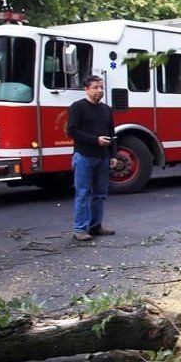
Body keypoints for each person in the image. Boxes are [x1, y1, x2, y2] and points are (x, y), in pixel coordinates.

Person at [67, 75, 117, 241]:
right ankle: (80, 229)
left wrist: (113, 154)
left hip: (102, 157)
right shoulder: (77, 107)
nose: (99, 91)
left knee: (100, 193)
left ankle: (96, 226)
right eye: (95, 87)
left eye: (101, 87)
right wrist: (95, 141)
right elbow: (72, 131)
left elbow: (112, 133)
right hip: (84, 156)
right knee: (83, 193)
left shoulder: (106, 109)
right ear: (86, 89)